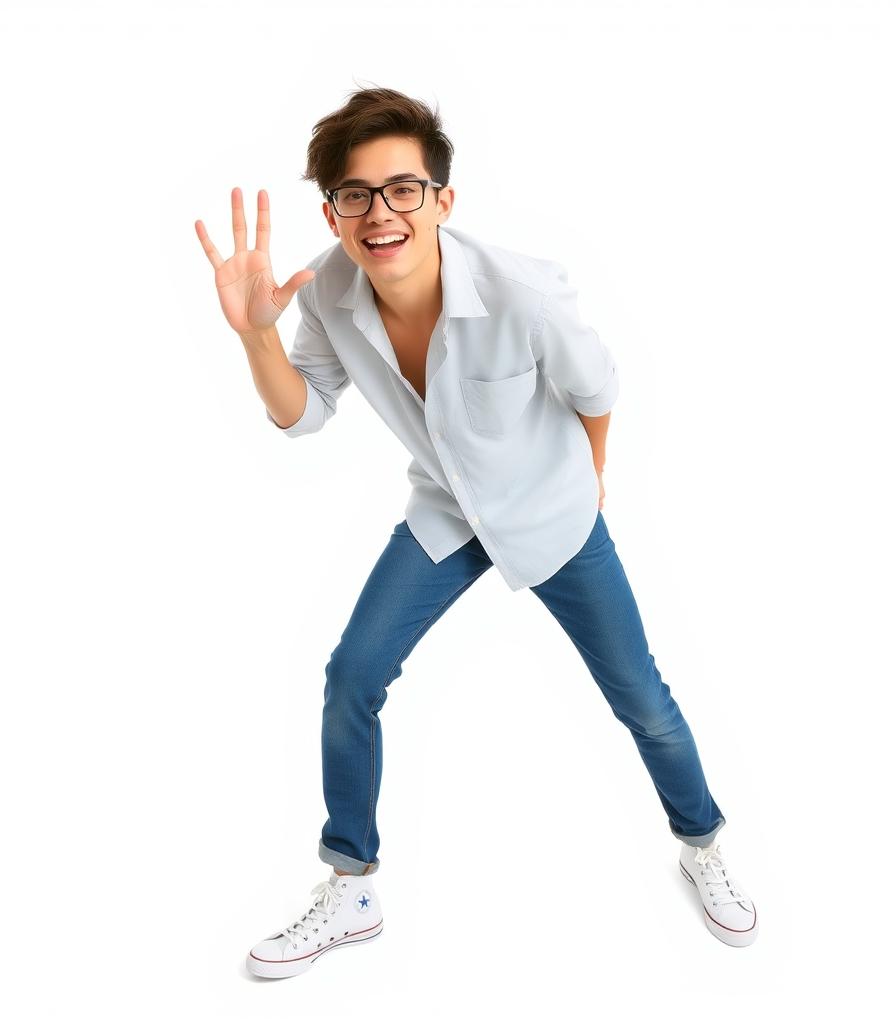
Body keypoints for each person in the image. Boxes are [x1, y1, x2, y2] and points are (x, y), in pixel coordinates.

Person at [195, 86, 757, 979]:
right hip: (449, 506)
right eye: (355, 194)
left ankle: (703, 845)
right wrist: (256, 336)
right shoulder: (328, 289)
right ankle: (351, 884)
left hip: (553, 511)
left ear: (442, 201)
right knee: (352, 675)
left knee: (641, 700)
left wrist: (590, 485)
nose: (380, 213)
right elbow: (301, 417)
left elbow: (598, 388)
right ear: (334, 212)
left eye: (403, 189)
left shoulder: (522, 294)